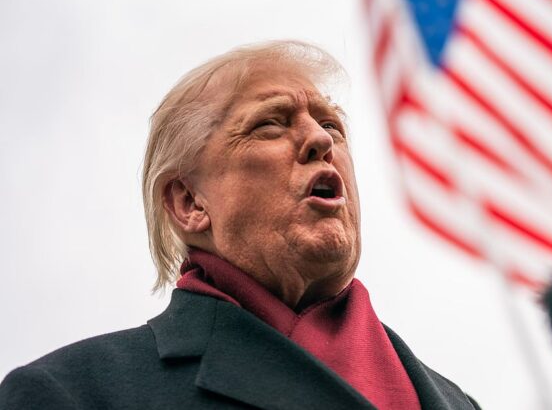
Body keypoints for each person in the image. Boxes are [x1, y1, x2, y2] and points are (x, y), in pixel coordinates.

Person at [0, 41, 480, 409]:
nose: (319, 139)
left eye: (332, 125)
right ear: (189, 202)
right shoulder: (72, 394)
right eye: (270, 124)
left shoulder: (458, 402)